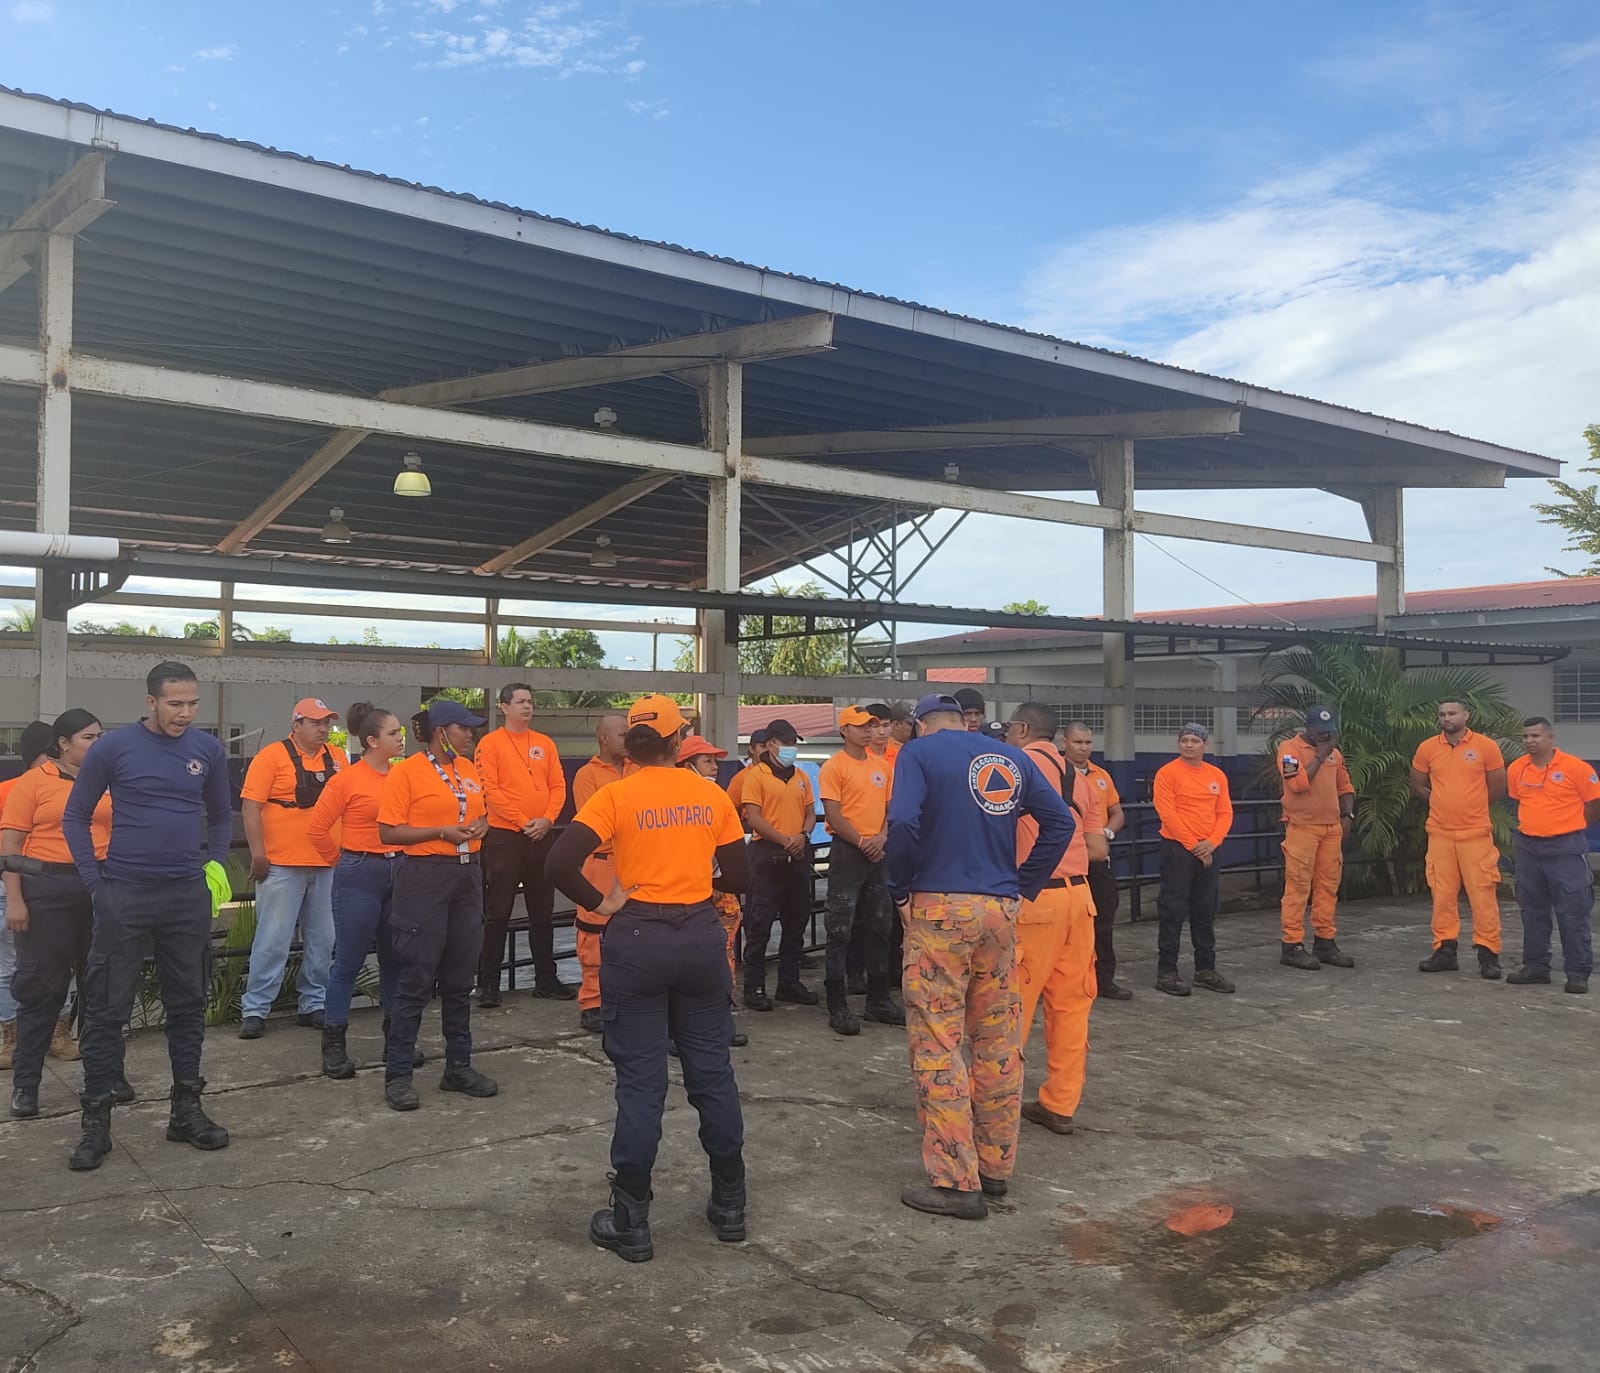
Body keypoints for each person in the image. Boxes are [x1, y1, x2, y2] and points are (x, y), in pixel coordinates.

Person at [546, 695, 752, 1264]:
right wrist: (697, 882)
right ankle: (730, 1202)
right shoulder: (709, 795)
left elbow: (558, 864)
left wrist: (604, 903)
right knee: (711, 1070)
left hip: (636, 938)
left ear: (631, 742)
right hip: (699, 936)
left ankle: (630, 1219)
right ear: (678, 738)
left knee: (641, 1082)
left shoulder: (615, 795)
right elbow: (739, 874)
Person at [887, 693, 1074, 1219]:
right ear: (962, 720)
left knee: (938, 1042)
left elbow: (902, 823)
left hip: (939, 909)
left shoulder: (918, 755)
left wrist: (899, 888)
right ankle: (995, 1168)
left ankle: (954, 1181)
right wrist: (1023, 886)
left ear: (922, 724)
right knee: (996, 1038)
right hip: (999, 908)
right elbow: (1060, 823)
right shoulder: (1011, 757)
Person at [62, 661, 233, 1172]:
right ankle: (96, 1125)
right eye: (175, 703)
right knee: (108, 1008)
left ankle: (186, 1111)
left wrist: (215, 865)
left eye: (192, 703)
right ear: (151, 702)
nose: (185, 713)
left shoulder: (206, 750)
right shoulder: (114, 748)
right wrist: (97, 884)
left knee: (187, 1005)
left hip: (185, 895)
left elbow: (222, 814)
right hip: (125, 894)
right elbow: (76, 815)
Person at [375, 700, 498, 1112]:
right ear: (441, 731)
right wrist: (439, 832)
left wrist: (482, 824)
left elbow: (479, 812)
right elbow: (389, 832)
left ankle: (458, 1067)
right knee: (417, 976)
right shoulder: (406, 772)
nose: (471, 735)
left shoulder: (468, 769)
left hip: (467, 875)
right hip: (424, 877)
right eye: (464, 729)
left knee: (461, 976)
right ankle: (398, 1075)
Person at [3, 711, 114, 1119]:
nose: (98, 743)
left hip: (98, 885)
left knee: (101, 986)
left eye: (101, 736)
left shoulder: (107, 783)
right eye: (89, 737)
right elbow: (11, 843)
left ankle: (106, 1076)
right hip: (46, 888)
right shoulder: (33, 783)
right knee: (41, 989)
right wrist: (15, 900)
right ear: (63, 743)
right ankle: (26, 1084)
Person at [307, 702, 414, 1079]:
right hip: (359, 871)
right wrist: (342, 861)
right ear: (371, 741)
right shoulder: (347, 780)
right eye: (393, 733)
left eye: (400, 731)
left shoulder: (403, 777)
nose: (401, 738)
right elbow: (317, 828)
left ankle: (396, 1039)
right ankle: (334, 1043)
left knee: (395, 960)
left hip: (398, 868)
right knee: (348, 962)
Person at [1005, 702, 1097, 1137]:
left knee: (1011, 1006)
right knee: (1072, 1005)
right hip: (1080, 899)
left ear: (1022, 728)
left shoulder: (1015, 767)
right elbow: (1097, 846)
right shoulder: (1080, 777)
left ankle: (993, 1101)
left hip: (1034, 899)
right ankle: (1060, 1104)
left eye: (1008, 729)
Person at [237, 698, 343, 1039]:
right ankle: (255, 1008)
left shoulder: (339, 759)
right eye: (315, 722)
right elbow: (250, 808)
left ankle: (314, 1003)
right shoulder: (271, 756)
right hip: (281, 864)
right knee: (273, 939)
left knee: (323, 939)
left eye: (326, 722)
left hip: (327, 863)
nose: (323, 728)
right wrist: (258, 855)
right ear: (296, 724)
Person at [476, 683, 572, 1004]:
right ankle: (488, 983)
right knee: (498, 912)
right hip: (505, 837)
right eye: (519, 702)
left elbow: (558, 785)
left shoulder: (544, 743)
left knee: (542, 911)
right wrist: (522, 821)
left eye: (530, 701)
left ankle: (546, 978)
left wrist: (546, 819)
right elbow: (490, 791)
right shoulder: (490, 744)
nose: (527, 707)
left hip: (542, 835)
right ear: (504, 707)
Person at [818, 705, 902, 1035]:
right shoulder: (834, 768)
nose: (868, 731)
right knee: (840, 928)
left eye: (872, 725)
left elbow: (889, 810)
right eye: (860, 726)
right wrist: (863, 841)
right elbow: (834, 815)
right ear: (844, 731)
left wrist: (880, 838)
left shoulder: (882, 767)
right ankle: (837, 1003)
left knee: (881, 925)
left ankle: (878, 1000)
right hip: (847, 852)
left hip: (878, 852)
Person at [1411, 701, 1507, 978]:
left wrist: (1472, 806)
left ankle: (1488, 954)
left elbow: (1497, 786)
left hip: (1475, 834)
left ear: (1466, 715)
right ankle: (1445, 949)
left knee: (1482, 894)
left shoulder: (1486, 746)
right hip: (1440, 834)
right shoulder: (1428, 747)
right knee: (1442, 894)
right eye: (1442, 714)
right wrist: (1440, 802)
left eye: (1452, 713)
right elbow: (1417, 783)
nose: (1447, 718)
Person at [1505, 717, 1597, 994]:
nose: (1530, 741)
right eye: (1525, 737)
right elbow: (1520, 800)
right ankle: (1536, 968)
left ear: (1550, 737)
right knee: (1532, 911)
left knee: (1573, 912)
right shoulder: (1517, 768)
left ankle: (1578, 972)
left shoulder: (1575, 768)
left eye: (1535, 736)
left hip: (1565, 849)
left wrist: (1571, 827)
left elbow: (1594, 803)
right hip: (1529, 849)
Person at [738, 718, 819, 1010]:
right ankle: (754, 987)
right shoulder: (756, 776)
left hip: (796, 853)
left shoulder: (800, 777)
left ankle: (789, 982)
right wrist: (785, 839)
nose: (791, 749)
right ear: (771, 744)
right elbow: (754, 817)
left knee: (796, 921)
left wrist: (802, 835)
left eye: (794, 744)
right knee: (759, 924)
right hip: (767, 854)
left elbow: (810, 812)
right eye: (787, 743)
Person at [1151, 723, 1236, 997]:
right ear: (1179, 744)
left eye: (1194, 741)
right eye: (1184, 740)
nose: (1189, 745)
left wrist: (1211, 843)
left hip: (1209, 849)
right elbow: (1168, 814)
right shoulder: (1167, 774)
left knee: (1204, 910)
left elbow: (1224, 813)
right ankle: (1167, 971)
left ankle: (1205, 970)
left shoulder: (1217, 776)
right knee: (1172, 909)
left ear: (1205, 745)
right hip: (1178, 849)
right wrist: (1195, 846)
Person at [678, 735, 748, 1048]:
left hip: (719, 890)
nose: (715, 766)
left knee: (724, 954)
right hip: (685, 893)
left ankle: (720, 1018)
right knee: (684, 961)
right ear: (686, 765)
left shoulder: (715, 797)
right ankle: (680, 1028)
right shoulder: (677, 799)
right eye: (708, 760)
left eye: (716, 760)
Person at [1276, 706, 1356, 972]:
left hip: (1331, 828)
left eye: (1329, 732)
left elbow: (1345, 786)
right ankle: (1292, 945)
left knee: (1328, 886)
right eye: (1320, 731)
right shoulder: (1289, 750)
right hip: (1302, 828)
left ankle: (1324, 941)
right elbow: (1297, 784)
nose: (1325, 736)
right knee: (1298, 887)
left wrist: (1348, 815)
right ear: (1307, 728)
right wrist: (1320, 757)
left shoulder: (1336, 755)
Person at [570, 713, 634, 1034]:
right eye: (623, 734)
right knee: (593, 933)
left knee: (636, 931)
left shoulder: (639, 770)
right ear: (604, 738)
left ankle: (628, 997)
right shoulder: (587, 775)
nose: (628, 739)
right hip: (601, 862)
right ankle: (592, 1002)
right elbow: (595, 824)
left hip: (636, 864)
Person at [0, 721, 56, 1075]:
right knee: (9, 964)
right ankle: (12, 1034)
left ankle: (58, 1034)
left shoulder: (72, 787)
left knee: (58, 963)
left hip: (55, 886)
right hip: (12, 885)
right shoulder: (9, 791)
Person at [1062, 721, 1131, 1001]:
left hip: (1097, 860)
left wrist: (1108, 831)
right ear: (1064, 742)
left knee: (1103, 921)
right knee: (1065, 925)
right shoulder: (1054, 774)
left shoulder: (1101, 775)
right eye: (1078, 742)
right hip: (1067, 862)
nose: (1084, 748)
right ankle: (1063, 981)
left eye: (1088, 743)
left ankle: (1104, 979)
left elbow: (1117, 812)